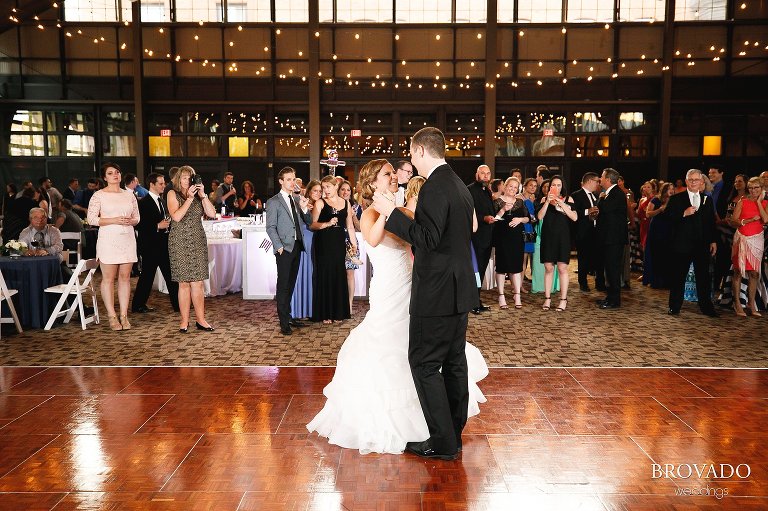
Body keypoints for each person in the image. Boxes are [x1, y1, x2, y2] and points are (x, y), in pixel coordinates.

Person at [307, 158, 487, 455]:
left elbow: (421, 235)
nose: (395, 176)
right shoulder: (368, 211)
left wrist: (401, 208)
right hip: (388, 288)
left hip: (414, 285)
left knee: (420, 351)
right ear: (373, 181)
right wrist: (386, 209)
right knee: (392, 346)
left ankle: (431, 424)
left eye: (394, 172)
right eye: (388, 173)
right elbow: (373, 239)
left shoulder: (404, 205)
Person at [371, 127, 478, 461]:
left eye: (412, 154)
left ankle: (442, 441)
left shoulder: (434, 187)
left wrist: (389, 213)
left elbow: (427, 238)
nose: (411, 161)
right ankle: (453, 435)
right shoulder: (460, 185)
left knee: (425, 363)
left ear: (419, 151)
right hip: (458, 290)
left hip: (435, 292)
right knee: (453, 362)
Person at [86, 162, 140, 331]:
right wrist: (114, 220)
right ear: (105, 177)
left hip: (127, 238)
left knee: (125, 278)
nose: (115, 175)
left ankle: (124, 315)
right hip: (108, 239)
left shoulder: (129, 195)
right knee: (108, 279)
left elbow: (137, 218)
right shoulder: (98, 196)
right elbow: (92, 219)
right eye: (110, 173)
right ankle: (111, 315)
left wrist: (130, 221)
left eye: (117, 172)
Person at [167, 165, 217, 332]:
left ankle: (201, 320)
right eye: (185, 178)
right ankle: (184, 320)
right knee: (184, 283)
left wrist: (203, 196)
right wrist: (188, 198)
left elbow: (211, 214)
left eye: (191, 178)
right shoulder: (172, 194)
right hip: (179, 240)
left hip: (197, 239)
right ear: (178, 180)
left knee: (198, 283)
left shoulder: (198, 196)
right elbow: (177, 216)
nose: (188, 181)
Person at [265, 167, 312, 335]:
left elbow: (308, 221)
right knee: (283, 285)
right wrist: (278, 246)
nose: (293, 182)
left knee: (291, 284)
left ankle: (289, 316)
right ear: (281, 181)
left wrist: (305, 208)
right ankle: (283, 322)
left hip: (297, 246)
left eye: (294, 179)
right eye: (289, 179)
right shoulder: (273, 202)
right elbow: (270, 227)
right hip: (284, 248)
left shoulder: (297, 199)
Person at [667, 169, 718, 317]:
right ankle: (674, 307)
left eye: (697, 180)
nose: (694, 182)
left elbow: (710, 223)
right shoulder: (677, 199)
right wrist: (684, 213)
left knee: (703, 277)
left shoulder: (707, 199)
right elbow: (668, 218)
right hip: (682, 244)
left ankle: (707, 307)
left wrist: (713, 240)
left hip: (701, 245)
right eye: (691, 180)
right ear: (686, 181)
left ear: (701, 182)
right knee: (679, 277)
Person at [311, 175, 357, 324]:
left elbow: (349, 226)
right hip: (323, 242)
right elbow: (313, 225)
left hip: (338, 243)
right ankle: (325, 313)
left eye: (328, 187)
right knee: (325, 274)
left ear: (336, 186)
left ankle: (338, 313)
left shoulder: (346, 203)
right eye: (323, 187)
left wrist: (354, 243)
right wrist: (327, 224)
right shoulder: (320, 202)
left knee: (339, 274)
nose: (325, 190)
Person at [131, 173, 179, 314]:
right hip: (150, 246)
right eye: (161, 183)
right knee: (147, 277)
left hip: (163, 245)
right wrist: (157, 226)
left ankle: (178, 305)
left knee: (171, 276)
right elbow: (139, 225)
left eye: (164, 183)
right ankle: (138, 305)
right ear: (152, 184)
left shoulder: (162, 201)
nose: (164, 186)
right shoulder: (143, 202)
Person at [537, 175, 577, 311]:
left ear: (562, 187)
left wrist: (560, 203)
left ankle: (563, 299)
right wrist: (548, 202)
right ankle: (547, 298)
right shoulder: (544, 199)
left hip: (563, 237)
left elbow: (574, 217)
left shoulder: (568, 199)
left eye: (559, 185)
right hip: (548, 236)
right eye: (553, 185)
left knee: (562, 268)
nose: (556, 187)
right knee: (548, 268)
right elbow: (539, 216)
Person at [731, 177, 768, 317]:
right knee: (738, 271)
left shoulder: (764, 203)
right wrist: (749, 220)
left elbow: (765, 219)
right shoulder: (742, 201)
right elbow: (733, 221)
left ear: (761, 189)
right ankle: (737, 304)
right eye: (751, 188)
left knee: (754, 273)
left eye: (756, 188)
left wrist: (758, 202)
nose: (753, 191)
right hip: (741, 238)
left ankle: (751, 304)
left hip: (757, 239)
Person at [493, 177, 531, 310]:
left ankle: (517, 295)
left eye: (515, 187)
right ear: (505, 186)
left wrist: (520, 219)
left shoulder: (520, 202)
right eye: (510, 186)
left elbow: (529, 218)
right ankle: (501, 296)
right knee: (502, 268)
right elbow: (494, 220)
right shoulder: (497, 201)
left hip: (516, 239)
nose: (513, 189)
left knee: (516, 267)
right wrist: (502, 210)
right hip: (502, 238)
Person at [594, 168, 628, 309]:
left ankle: (614, 301)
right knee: (609, 269)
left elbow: (605, 209)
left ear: (608, 179)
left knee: (613, 270)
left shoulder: (616, 194)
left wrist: (601, 199)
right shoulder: (611, 193)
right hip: (609, 239)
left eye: (602, 177)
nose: (600, 179)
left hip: (614, 240)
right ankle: (610, 297)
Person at [291, 180, 322, 321]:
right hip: (305, 240)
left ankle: (310, 310)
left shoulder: (320, 204)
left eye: (320, 191)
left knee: (311, 275)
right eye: (315, 190)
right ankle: (298, 311)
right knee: (302, 274)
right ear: (309, 191)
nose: (318, 193)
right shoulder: (303, 203)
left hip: (315, 241)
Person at [467, 164, 495, 314]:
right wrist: (484, 218)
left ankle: (477, 300)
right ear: (476, 174)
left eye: (488, 173)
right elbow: (467, 214)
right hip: (475, 238)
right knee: (475, 271)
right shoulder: (470, 190)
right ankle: (472, 302)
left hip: (487, 237)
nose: (485, 176)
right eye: (482, 173)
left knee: (481, 271)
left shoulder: (487, 191)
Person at [571, 172, 603, 292]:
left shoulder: (596, 195)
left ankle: (599, 283)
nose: (598, 184)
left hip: (595, 231)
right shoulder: (576, 195)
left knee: (598, 257)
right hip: (583, 232)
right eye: (596, 181)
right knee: (583, 258)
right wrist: (587, 211)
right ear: (589, 181)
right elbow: (572, 213)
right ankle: (583, 283)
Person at [643, 182, 675, 289]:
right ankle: (655, 281)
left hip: (669, 231)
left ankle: (667, 281)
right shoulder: (656, 200)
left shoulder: (675, 201)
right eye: (669, 189)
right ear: (664, 190)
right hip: (657, 230)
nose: (671, 191)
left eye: (672, 189)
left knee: (667, 255)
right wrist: (660, 209)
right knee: (656, 254)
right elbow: (648, 214)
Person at [531, 179, 560, 295]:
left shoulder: (560, 200)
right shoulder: (539, 200)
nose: (546, 189)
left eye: (549, 186)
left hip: (553, 234)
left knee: (554, 263)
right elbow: (537, 217)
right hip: (539, 232)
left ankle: (552, 286)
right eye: (544, 186)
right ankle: (538, 286)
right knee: (538, 262)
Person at [339, 179, 362, 314]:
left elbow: (359, 228)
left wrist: (353, 217)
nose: (345, 192)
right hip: (336, 241)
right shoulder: (334, 205)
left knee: (350, 274)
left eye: (348, 190)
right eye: (343, 189)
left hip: (351, 242)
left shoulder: (356, 207)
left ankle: (349, 305)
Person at [521, 178, 537, 280]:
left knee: (525, 259)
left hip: (530, 230)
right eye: (531, 185)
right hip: (522, 229)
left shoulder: (532, 200)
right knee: (521, 260)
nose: (533, 187)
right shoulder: (519, 198)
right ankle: (517, 286)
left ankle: (520, 284)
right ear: (525, 186)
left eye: (535, 186)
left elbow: (534, 218)